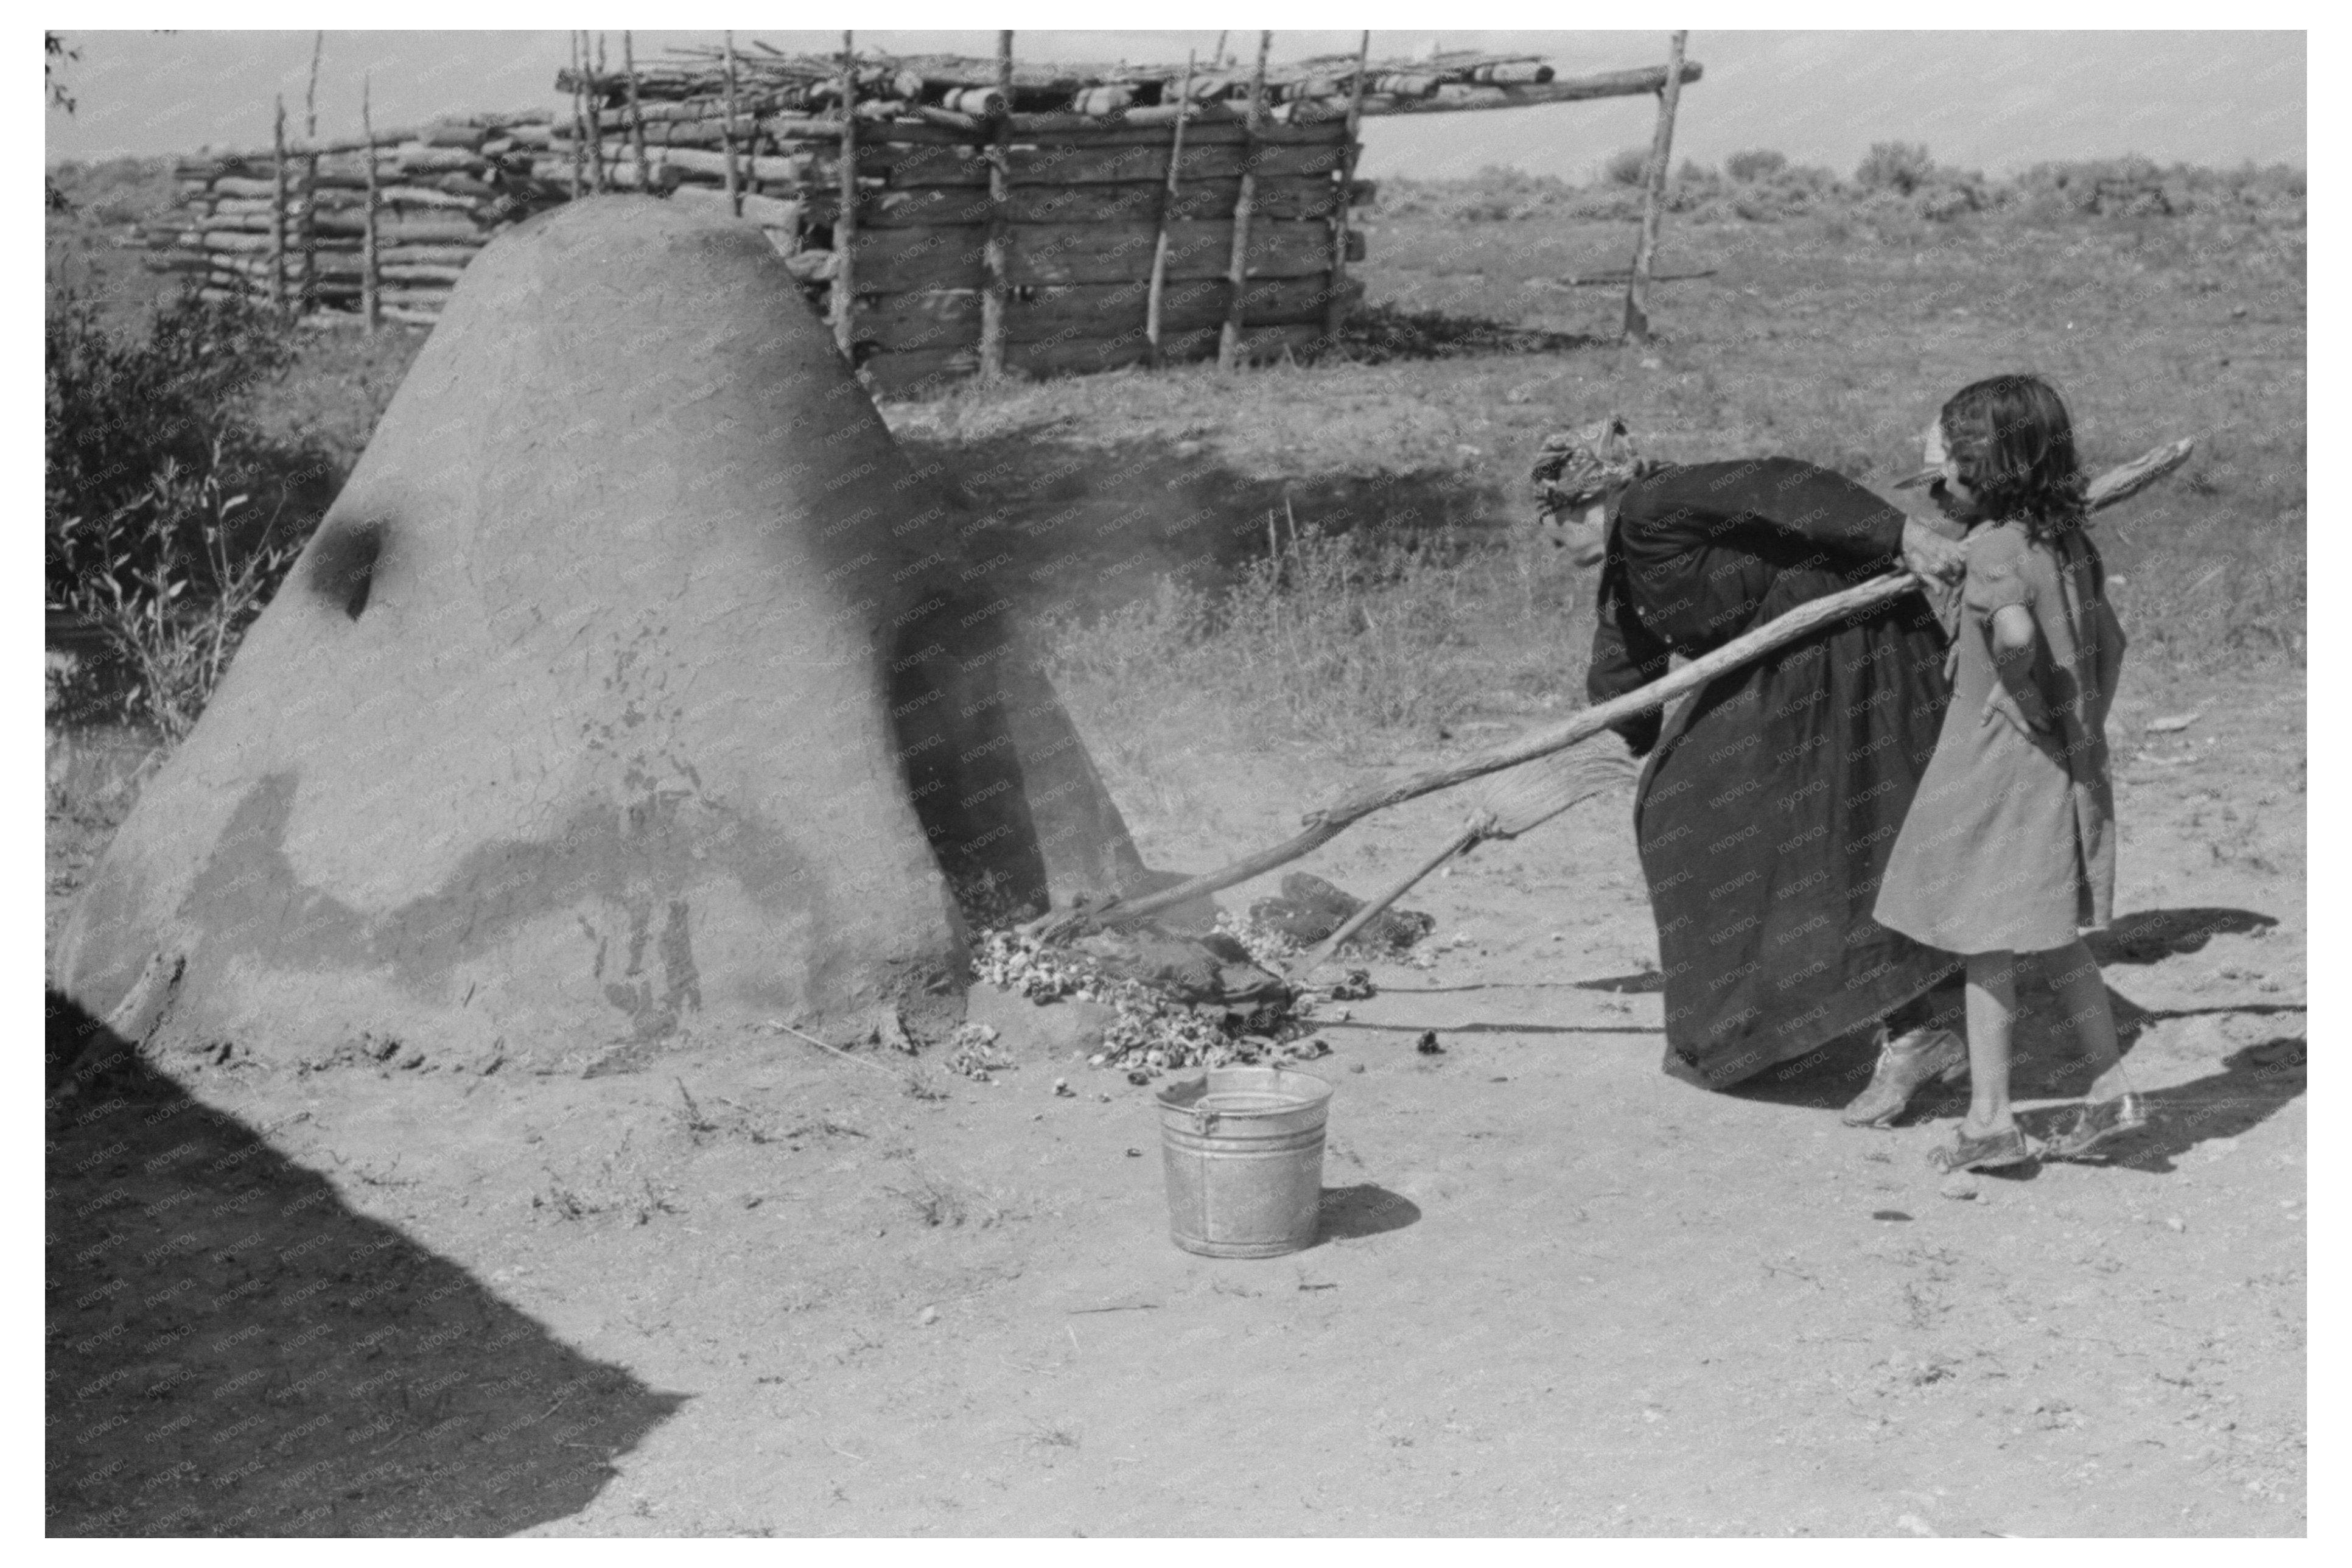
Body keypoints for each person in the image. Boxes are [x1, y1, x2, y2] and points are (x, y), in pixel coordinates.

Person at [1532, 416, 1972, 1098]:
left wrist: (1903, 535)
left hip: (1853, 651)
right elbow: (1624, 681)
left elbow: (1781, 482)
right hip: (1794, 672)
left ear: (1586, 501)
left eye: (1552, 520)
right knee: (1681, 804)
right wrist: (1539, 786)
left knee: (1799, 823)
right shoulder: (1628, 570)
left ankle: (1916, 1025)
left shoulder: (1658, 502)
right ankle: (1769, 1021)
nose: (1549, 539)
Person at [1873, 374, 2144, 1171]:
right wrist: (2072, 721)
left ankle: (1991, 1119)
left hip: (2001, 767)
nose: (1938, 482)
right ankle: (2111, 1088)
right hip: (2063, 759)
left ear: (1983, 468)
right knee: (2055, 936)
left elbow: (2015, 629)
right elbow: (2104, 640)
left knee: (1985, 944)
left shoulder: (1995, 549)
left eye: (1948, 465)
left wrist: (2022, 703)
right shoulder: (2066, 540)